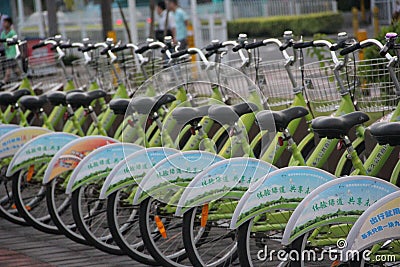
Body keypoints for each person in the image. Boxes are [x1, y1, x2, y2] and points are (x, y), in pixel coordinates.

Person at [0, 17, 20, 88]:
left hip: (12, 54)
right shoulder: (3, 33)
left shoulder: (12, 32)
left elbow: (16, 40)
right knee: (16, 69)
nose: (4, 24)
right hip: (7, 54)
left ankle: (4, 82)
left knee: (8, 71)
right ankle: (23, 79)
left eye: (5, 22)